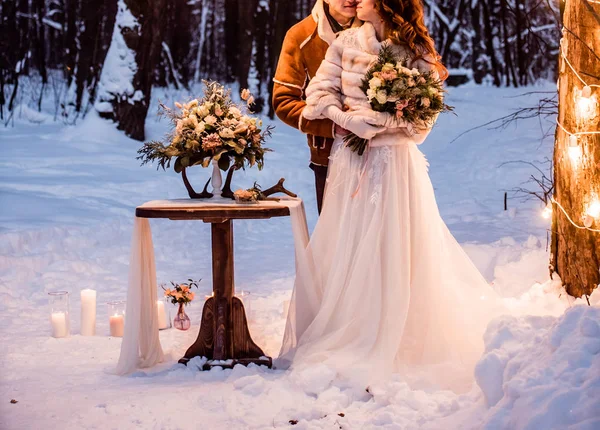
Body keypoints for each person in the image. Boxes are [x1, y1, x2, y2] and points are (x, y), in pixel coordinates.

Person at [277, 0, 503, 392]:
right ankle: (353, 323)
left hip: (397, 165)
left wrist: (380, 126)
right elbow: (317, 96)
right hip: (350, 164)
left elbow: (422, 125)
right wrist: (347, 121)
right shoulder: (346, 42)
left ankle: (403, 331)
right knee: (349, 244)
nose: (356, 1)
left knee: (398, 242)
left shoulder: (419, 53)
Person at [272, 0, 362, 214]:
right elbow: (283, 101)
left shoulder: (378, 27)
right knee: (334, 239)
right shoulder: (300, 35)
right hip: (328, 155)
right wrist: (333, 126)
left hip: (379, 152)